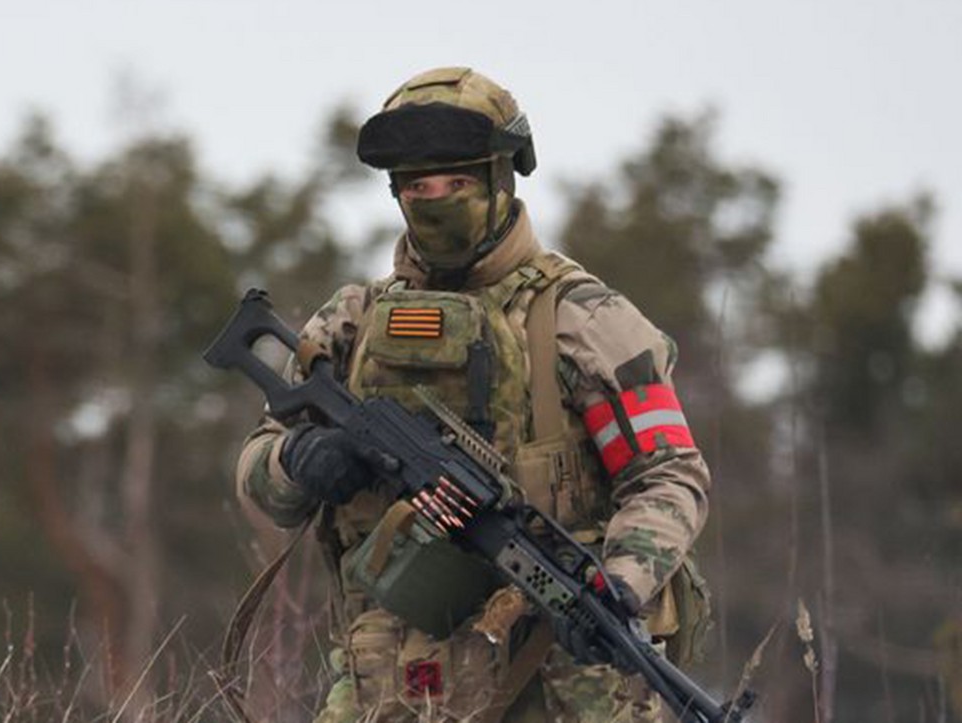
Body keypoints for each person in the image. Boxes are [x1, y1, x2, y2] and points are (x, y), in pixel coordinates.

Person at [234, 67, 711, 723]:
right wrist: (298, 459)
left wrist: (621, 582)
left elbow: (668, 474)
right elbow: (259, 472)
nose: (434, 199)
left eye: (455, 183)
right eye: (417, 186)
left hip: (555, 681)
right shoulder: (351, 325)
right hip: (391, 685)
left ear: (499, 178)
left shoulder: (580, 321)